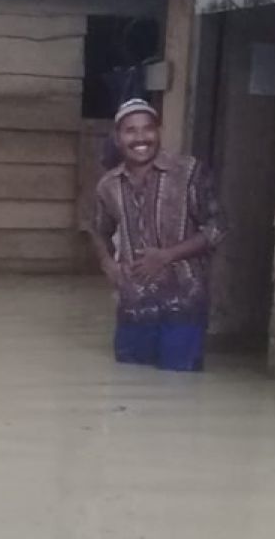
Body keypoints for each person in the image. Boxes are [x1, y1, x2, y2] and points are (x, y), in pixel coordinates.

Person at [90, 99, 225, 372]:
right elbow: (98, 230)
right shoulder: (108, 185)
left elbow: (218, 226)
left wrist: (167, 256)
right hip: (134, 307)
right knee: (130, 387)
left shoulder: (188, 172)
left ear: (158, 132)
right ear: (118, 138)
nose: (140, 138)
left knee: (179, 388)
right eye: (130, 130)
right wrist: (108, 265)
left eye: (148, 129)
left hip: (184, 304)